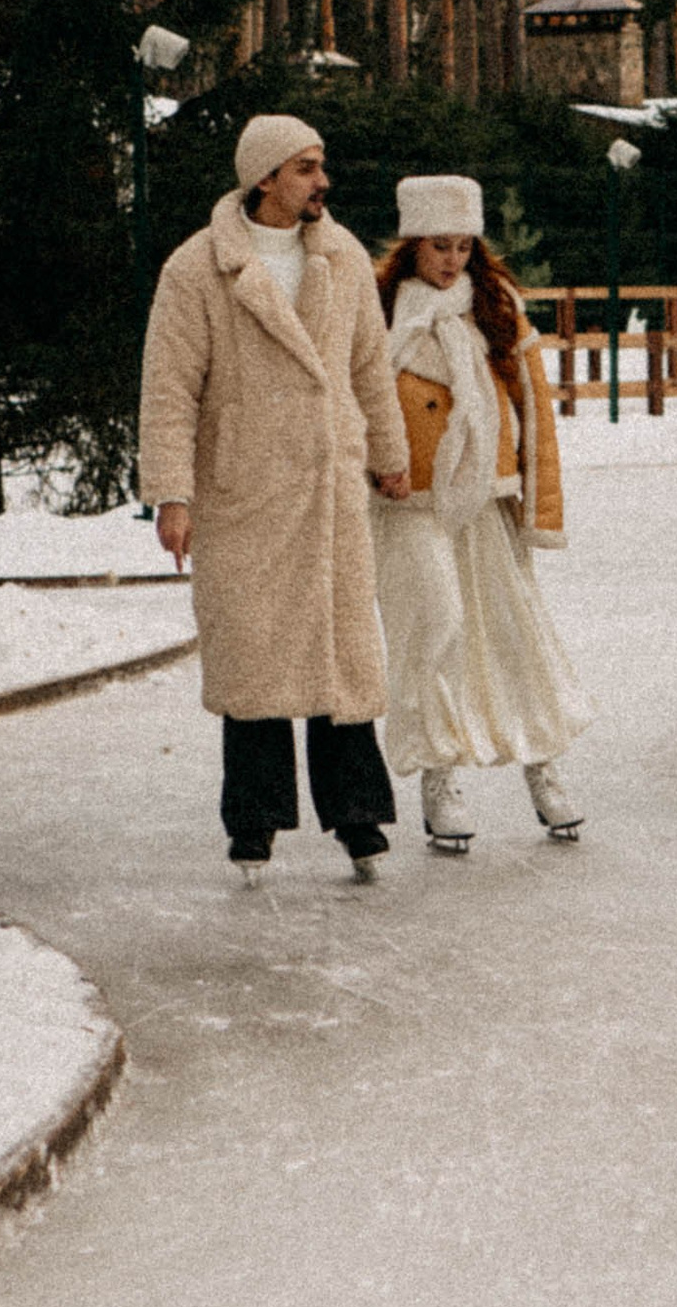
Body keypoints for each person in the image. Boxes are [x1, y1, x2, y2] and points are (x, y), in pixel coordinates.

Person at [138, 113, 413, 883]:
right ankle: (254, 825)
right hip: (243, 490)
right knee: (255, 659)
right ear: (264, 177)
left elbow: (369, 368)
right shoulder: (199, 269)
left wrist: (388, 456)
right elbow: (168, 391)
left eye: (321, 165)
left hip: (328, 490)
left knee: (340, 653)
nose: (321, 181)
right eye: (304, 167)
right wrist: (172, 495)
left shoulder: (344, 256)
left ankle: (358, 817)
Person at [371, 175, 593, 855]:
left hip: (486, 500)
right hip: (409, 503)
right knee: (433, 628)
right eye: (440, 246)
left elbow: (534, 413)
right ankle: (440, 779)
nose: (452, 260)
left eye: (464, 246)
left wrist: (540, 508)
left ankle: (543, 768)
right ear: (413, 244)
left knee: (512, 635)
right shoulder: (379, 313)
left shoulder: (497, 310)